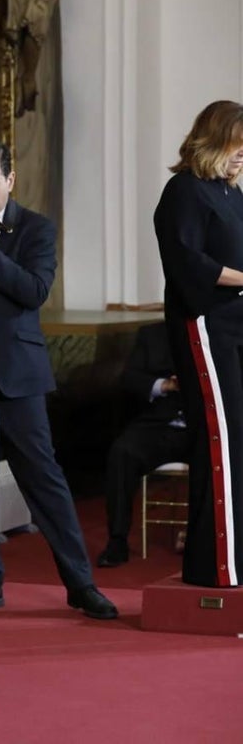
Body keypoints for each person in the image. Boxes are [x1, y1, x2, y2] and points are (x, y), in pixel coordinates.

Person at [0, 139, 118, 620]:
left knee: (44, 480)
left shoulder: (35, 228)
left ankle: (80, 584)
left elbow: (34, 291)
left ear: (10, 180)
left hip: (16, 374)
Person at [153, 99, 243, 588]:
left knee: (240, 444)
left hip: (237, 325)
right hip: (205, 327)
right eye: (237, 147)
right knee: (221, 444)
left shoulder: (231, 192)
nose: (242, 157)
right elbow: (189, 265)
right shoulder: (183, 192)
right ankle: (216, 567)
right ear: (213, 140)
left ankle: (238, 557)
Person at [97, 321, 190, 567]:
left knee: (227, 458)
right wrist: (166, 385)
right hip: (158, 425)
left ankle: (206, 538)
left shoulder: (226, 328)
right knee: (122, 452)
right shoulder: (152, 334)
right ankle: (117, 541)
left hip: (206, 429)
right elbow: (131, 378)